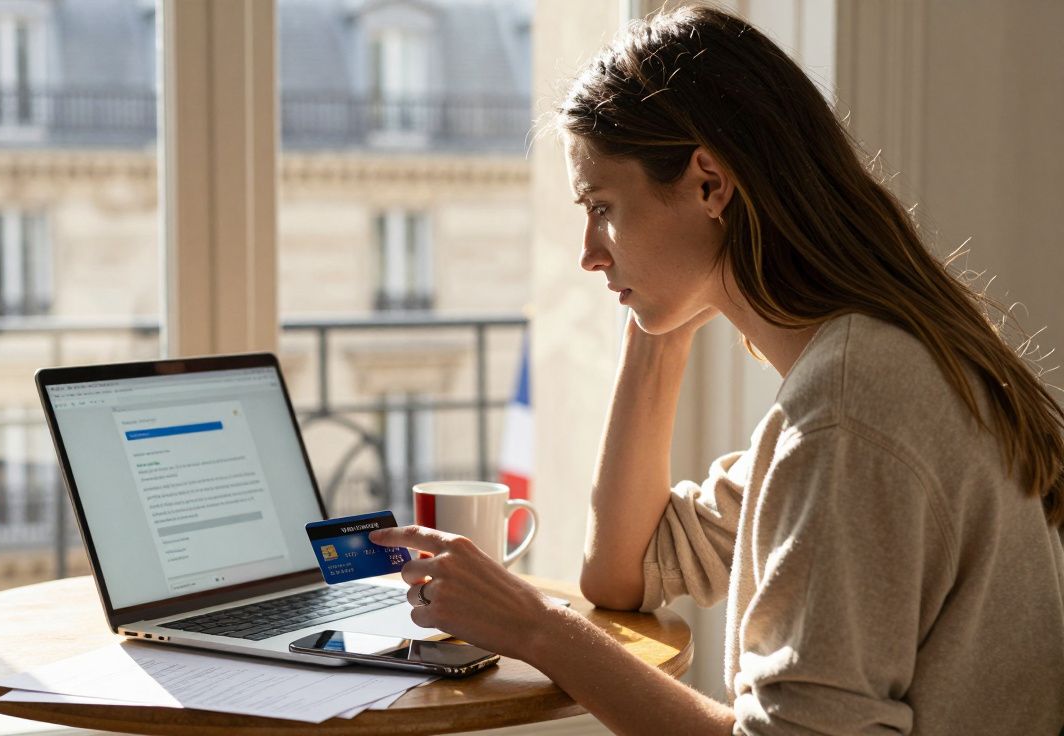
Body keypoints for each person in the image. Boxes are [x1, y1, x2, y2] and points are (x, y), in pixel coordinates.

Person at [369, 5, 1064, 734]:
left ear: (709, 183)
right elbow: (623, 571)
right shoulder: (876, 363)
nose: (588, 252)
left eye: (602, 207)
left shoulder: (848, 413)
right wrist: (663, 320)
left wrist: (535, 628)